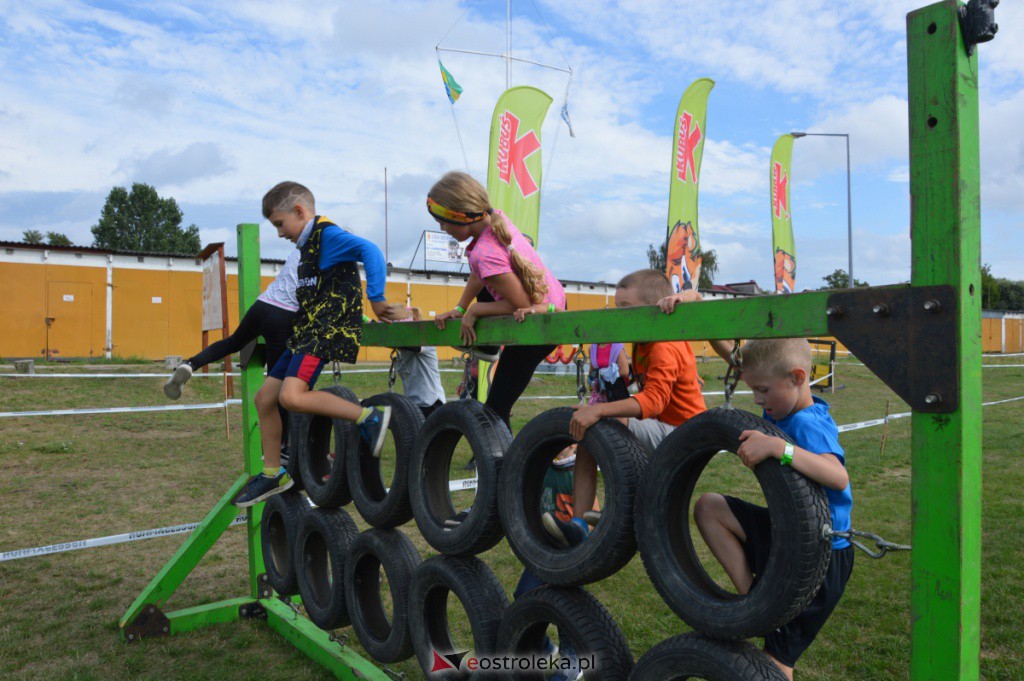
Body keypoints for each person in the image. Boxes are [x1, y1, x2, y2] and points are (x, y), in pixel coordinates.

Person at [693, 338, 854, 680]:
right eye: (753, 389)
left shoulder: (808, 423)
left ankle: (766, 627)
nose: (757, 399)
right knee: (709, 507)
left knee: (776, 660)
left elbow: (838, 477)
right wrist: (705, 326)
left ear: (798, 377)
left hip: (820, 556)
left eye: (762, 389)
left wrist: (781, 448)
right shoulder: (781, 402)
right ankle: (752, 602)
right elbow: (741, 360)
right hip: (786, 530)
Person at [233, 181, 401, 507]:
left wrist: (377, 299)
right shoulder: (306, 247)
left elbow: (371, 251)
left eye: (280, 224)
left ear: (299, 211)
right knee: (264, 398)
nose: (280, 233)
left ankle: (370, 417)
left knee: (291, 397)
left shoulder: (328, 236)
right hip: (306, 331)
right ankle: (273, 474)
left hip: (325, 332)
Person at [542, 270, 725, 546]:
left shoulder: (664, 343)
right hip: (666, 427)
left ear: (656, 307)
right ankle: (582, 524)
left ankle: (591, 521)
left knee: (600, 423)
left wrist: (599, 410)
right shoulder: (641, 342)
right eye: (617, 308)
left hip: (686, 435)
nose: (620, 315)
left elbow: (653, 402)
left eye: (626, 308)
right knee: (593, 432)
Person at [429, 171, 566, 431]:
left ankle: (503, 467)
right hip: (551, 301)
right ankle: (488, 347)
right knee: (497, 406)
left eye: (443, 222)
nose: (441, 228)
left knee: (496, 409)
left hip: (540, 323)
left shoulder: (484, 252)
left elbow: (519, 303)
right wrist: (460, 308)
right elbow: (481, 275)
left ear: (461, 217)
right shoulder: (495, 219)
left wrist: (476, 309)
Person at [163, 249, 299, 400]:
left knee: (234, 342)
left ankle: (190, 364)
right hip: (285, 314)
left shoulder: (299, 248)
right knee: (277, 380)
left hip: (262, 304)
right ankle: (278, 419)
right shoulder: (323, 252)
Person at [392, 307, 446, 418]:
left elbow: (413, 346)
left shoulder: (426, 341)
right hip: (414, 404)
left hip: (432, 404)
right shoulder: (402, 351)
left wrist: (391, 335)